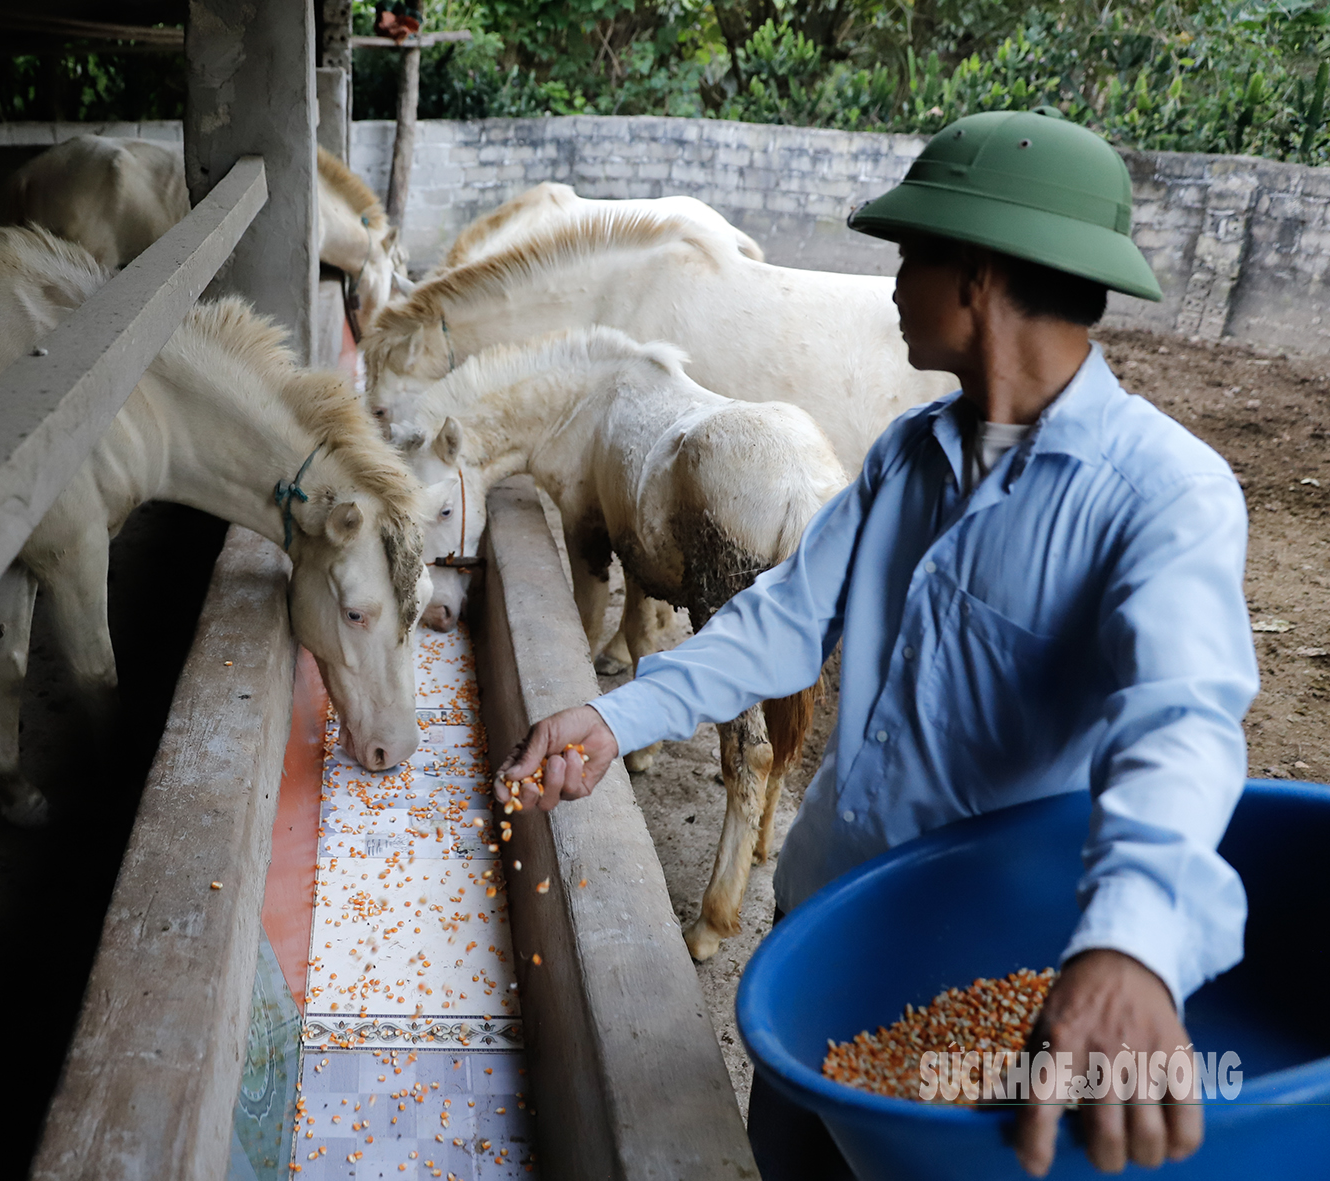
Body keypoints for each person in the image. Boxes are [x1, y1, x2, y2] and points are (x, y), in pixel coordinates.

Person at [495, 108, 1258, 1178]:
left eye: (910, 256)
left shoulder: (1158, 494)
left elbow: (1177, 721)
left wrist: (1131, 939)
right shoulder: (909, 453)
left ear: (978, 278)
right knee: (790, 1156)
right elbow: (781, 617)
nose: (890, 285)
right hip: (821, 931)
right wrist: (614, 715)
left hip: (983, 976)